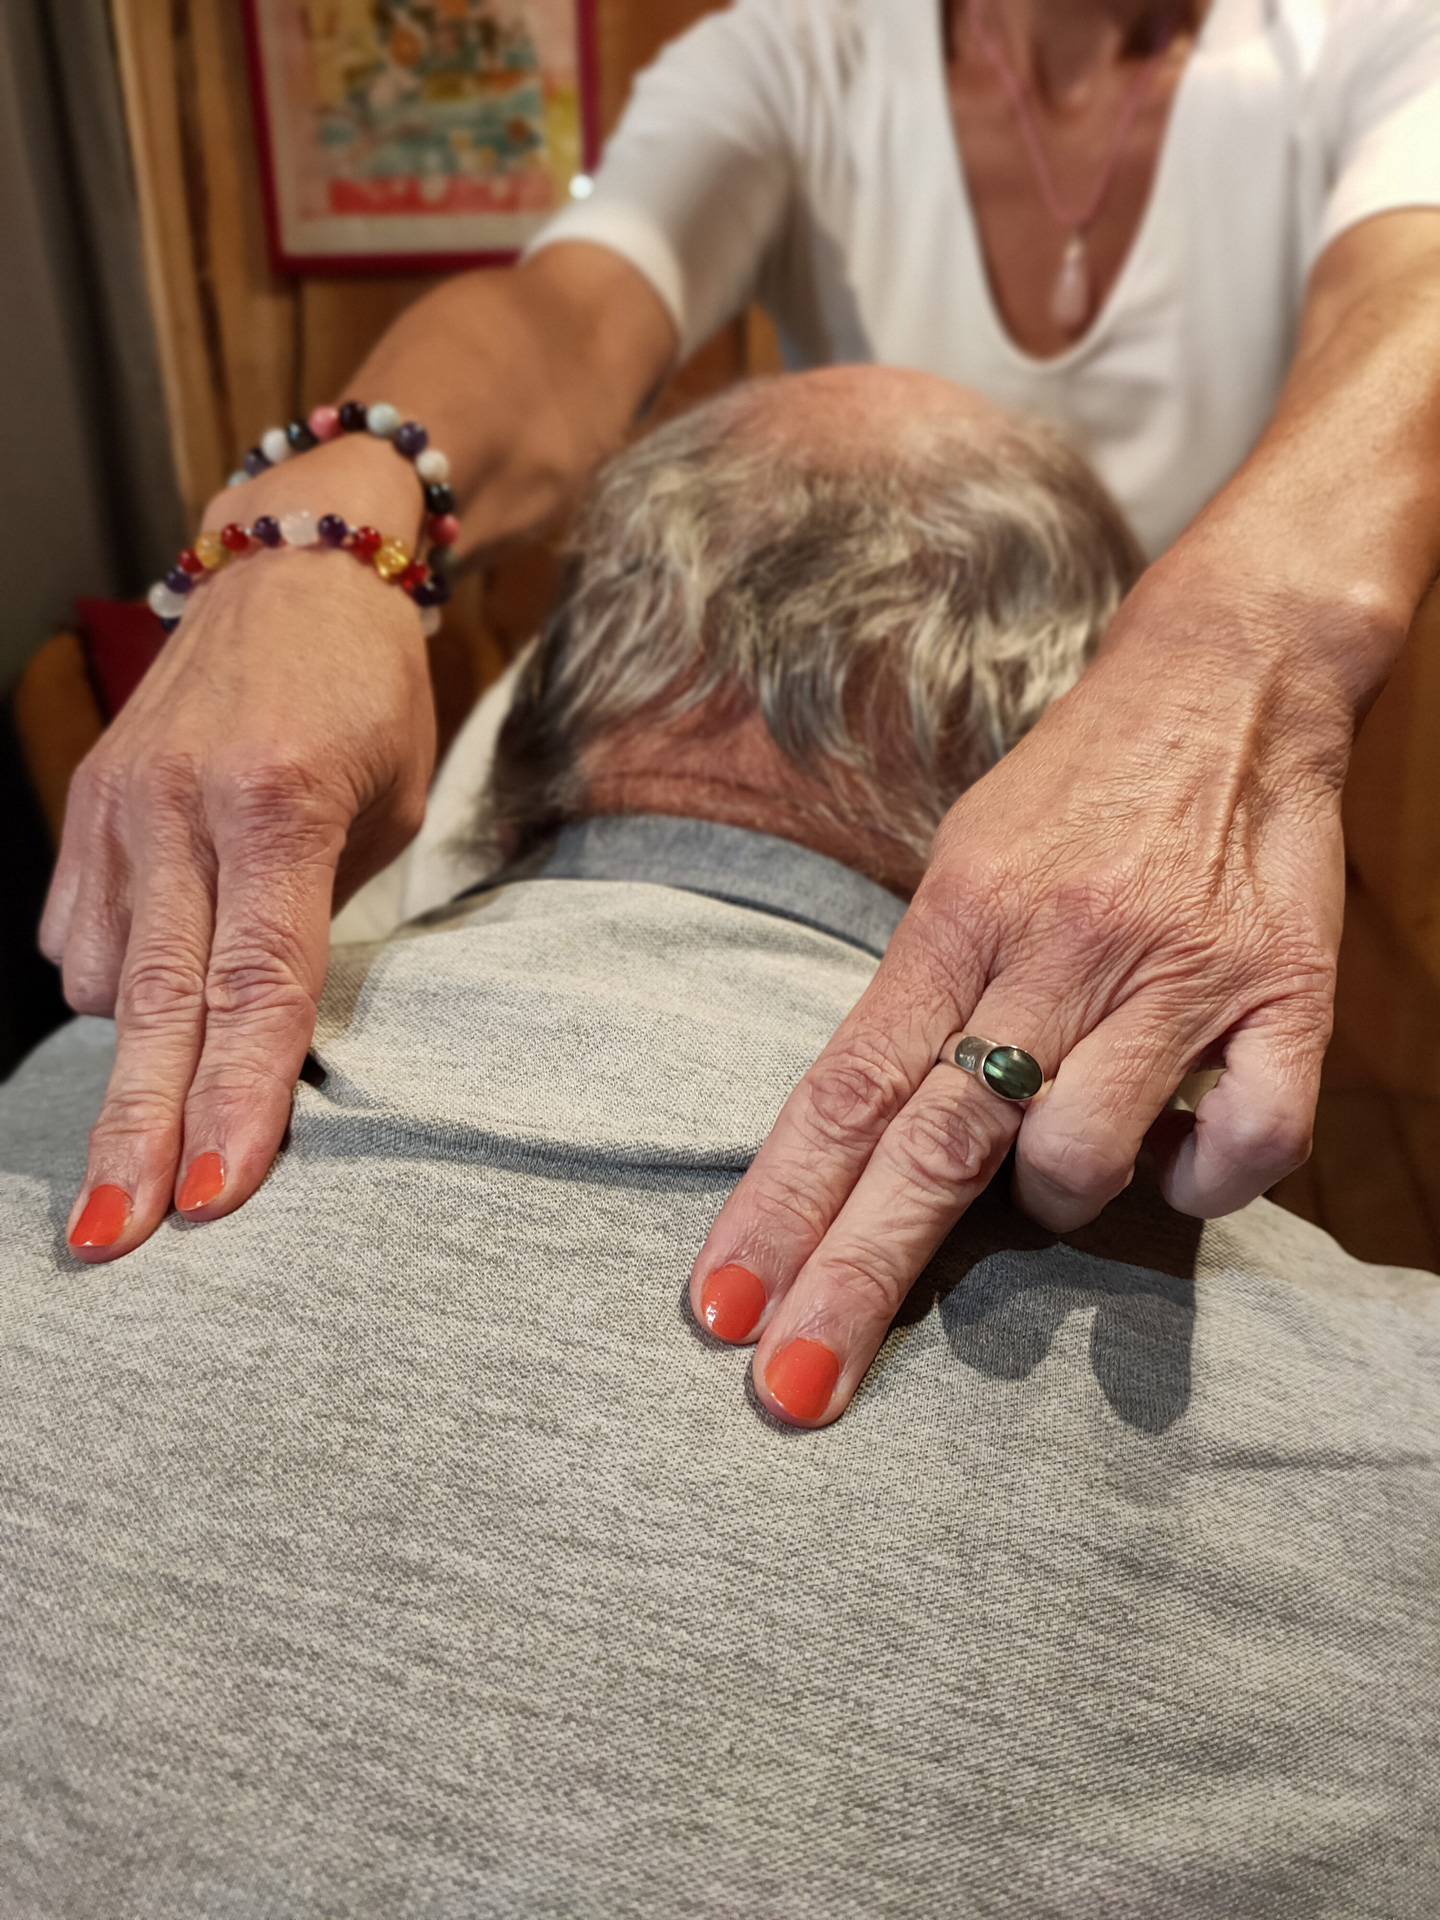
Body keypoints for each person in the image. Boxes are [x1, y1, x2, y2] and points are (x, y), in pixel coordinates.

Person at [5, 371, 1438, 1917]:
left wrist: (306, 521)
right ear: (1084, 756)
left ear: (546, 699)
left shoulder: (62, 1115)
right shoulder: (1391, 1438)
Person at [40, 3, 1440, 1431]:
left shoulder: (1371, 42)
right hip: (831, 689)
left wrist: (1229, 658)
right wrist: (326, 518)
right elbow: (569, 312)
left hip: (1136, 745)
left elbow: (1415, 298)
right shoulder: (801, 52)